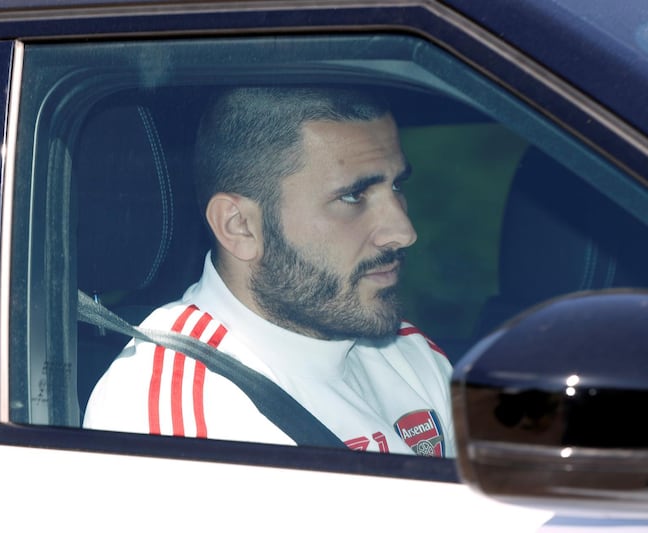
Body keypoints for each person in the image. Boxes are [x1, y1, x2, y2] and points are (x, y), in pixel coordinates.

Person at [83, 87, 455, 457]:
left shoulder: (408, 351)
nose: (404, 232)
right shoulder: (177, 417)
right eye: (352, 196)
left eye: (397, 186)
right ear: (240, 226)